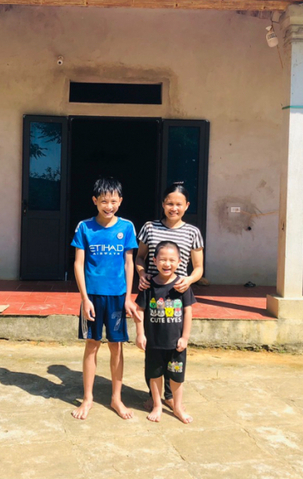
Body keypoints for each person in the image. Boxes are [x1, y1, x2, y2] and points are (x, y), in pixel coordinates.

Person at [71, 177, 140, 420]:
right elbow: (78, 265)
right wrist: (84, 298)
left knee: (116, 347)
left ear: (120, 201)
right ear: (95, 201)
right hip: (92, 297)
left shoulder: (127, 227)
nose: (108, 206)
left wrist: (129, 298)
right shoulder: (84, 227)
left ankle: (116, 399)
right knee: (92, 345)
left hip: (118, 297)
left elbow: (129, 263)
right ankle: (87, 398)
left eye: (113, 201)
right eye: (103, 201)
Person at [135, 182, 204, 410]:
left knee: (174, 346)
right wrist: (143, 274)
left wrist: (189, 280)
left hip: (177, 293)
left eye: (178, 204)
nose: (173, 208)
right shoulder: (149, 227)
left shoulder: (193, 232)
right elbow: (140, 257)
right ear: (163, 204)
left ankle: (169, 395)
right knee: (153, 348)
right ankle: (154, 395)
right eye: (169, 203)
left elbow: (198, 267)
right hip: (153, 292)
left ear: (187, 206)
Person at [135, 240, 194, 424]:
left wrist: (185, 337)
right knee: (154, 374)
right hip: (153, 343)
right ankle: (157, 405)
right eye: (162, 259)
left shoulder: (182, 286)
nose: (167, 264)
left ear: (179, 261)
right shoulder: (148, 285)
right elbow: (139, 310)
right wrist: (140, 334)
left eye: (171, 260)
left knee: (177, 376)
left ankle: (177, 406)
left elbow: (188, 312)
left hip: (176, 345)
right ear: (154, 260)